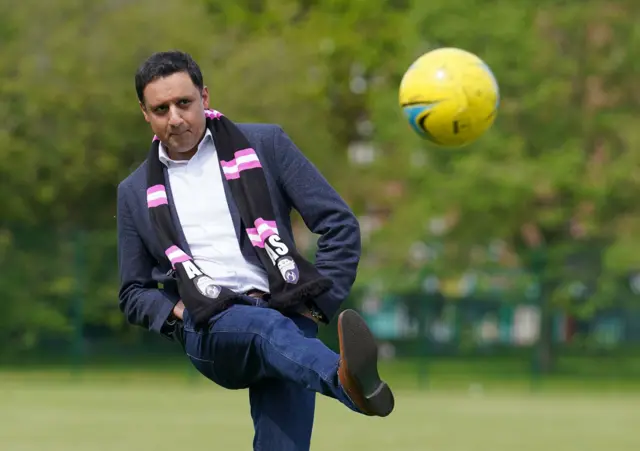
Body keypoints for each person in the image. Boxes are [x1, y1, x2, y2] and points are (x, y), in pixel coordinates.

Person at [116, 50, 394, 450]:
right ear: (145, 113)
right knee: (265, 328)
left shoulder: (266, 145)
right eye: (161, 109)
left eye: (184, 103)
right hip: (211, 327)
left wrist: (315, 305)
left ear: (205, 97)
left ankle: (339, 373)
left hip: (286, 312)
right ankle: (346, 381)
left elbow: (338, 224)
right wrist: (180, 312)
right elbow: (133, 291)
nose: (175, 117)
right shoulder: (134, 192)